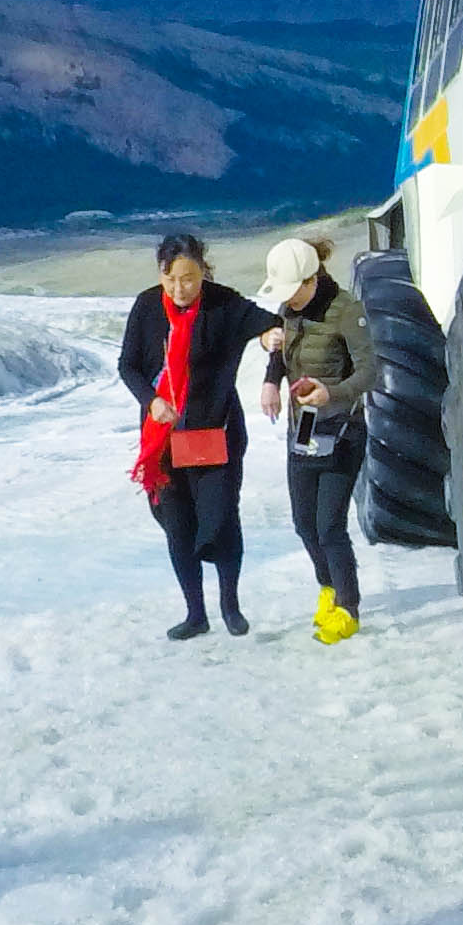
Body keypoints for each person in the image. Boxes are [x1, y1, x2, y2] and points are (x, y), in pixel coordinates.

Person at [117, 231, 283, 641]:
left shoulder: (223, 303)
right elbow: (128, 366)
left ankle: (230, 604)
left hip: (215, 433)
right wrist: (152, 400)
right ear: (161, 274)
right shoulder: (146, 307)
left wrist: (266, 341)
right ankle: (196, 613)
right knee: (178, 527)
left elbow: (273, 326)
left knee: (220, 520)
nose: (180, 289)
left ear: (203, 273)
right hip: (165, 438)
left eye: (189, 279)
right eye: (171, 279)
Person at [257, 238, 374, 643]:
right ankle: (328, 589)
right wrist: (271, 382)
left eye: (294, 291)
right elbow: (279, 354)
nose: (289, 301)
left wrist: (332, 392)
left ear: (312, 279)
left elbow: (370, 372)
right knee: (304, 523)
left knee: (329, 526)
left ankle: (348, 608)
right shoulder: (289, 308)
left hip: (342, 428)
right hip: (303, 426)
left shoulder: (346, 310)